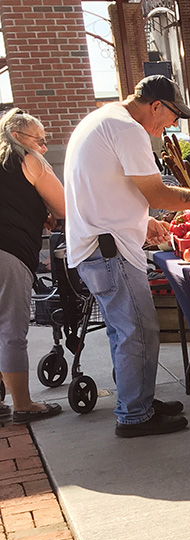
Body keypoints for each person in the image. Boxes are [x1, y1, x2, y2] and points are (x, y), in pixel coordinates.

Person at [65, 75, 190, 438]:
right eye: (174, 114)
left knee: (123, 331)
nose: (173, 124)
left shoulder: (103, 118)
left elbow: (107, 186)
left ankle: (137, 399)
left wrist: (141, 220)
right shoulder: (127, 128)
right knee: (138, 331)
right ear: (156, 105)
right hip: (108, 249)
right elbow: (158, 194)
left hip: (97, 244)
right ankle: (134, 414)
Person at [0, 108, 66, 426]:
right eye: (39, 140)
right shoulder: (28, 159)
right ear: (17, 136)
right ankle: (23, 404)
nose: (43, 147)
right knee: (12, 330)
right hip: (8, 252)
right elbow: (65, 206)